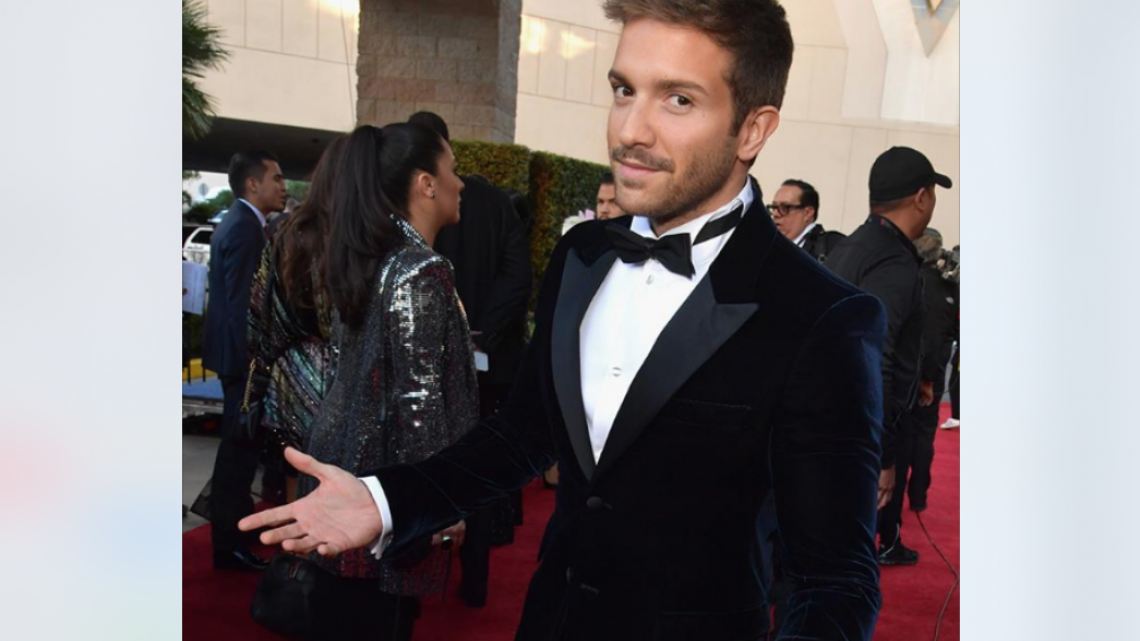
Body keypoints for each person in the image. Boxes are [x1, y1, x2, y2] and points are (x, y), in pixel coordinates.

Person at [244, 2, 885, 639]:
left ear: (752, 129)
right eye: (623, 89)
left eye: (679, 100)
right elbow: (523, 435)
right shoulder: (582, 257)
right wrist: (386, 500)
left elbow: (834, 581)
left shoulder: (822, 316)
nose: (631, 130)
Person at [291, 123, 478, 640]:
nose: (461, 183)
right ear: (426, 183)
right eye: (453, 170)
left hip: (345, 466)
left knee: (344, 615)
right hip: (380, 488)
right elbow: (418, 401)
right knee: (376, 622)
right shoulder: (420, 269)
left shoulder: (369, 257)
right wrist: (437, 500)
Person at [408, 110, 533, 608]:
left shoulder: (404, 197)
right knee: (475, 466)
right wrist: (480, 333)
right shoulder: (494, 202)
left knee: (421, 463)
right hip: (485, 359)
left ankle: (413, 580)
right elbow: (517, 277)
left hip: (432, 363)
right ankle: (473, 580)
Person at [826, 146, 953, 566]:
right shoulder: (895, 262)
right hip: (852, 440)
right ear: (921, 198)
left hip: (828, 425)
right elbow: (874, 357)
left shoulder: (855, 246)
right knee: (837, 568)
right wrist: (880, 456)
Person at [246, 136, 347, 505]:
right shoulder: (348, 236)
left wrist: (264, 365)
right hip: (331, 374)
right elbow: (335, 315)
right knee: (331, 484)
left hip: (287, 371)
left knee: (295, 476)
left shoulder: (284, 229)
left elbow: (259, 308)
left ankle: (294, 559)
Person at [202, 149, 286, 571]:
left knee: (239, 451)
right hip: (241, 360)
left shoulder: (241, 224)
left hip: (234, 357)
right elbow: (241, 306)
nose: (283, 186)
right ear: (253, 184)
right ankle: (228, 544)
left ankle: (230, 538)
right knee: (238, 453)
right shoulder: (247, 229)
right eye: (276, 178)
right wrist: (256, 363)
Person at [907, 228, 959, 512]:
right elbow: (949, 329)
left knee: (905, 433)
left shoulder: (912, 281)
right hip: (933, 370)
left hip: (913, 370)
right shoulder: (949, 287)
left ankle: (899, 494)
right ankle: (918, 496)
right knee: (924, 435)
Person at [768, 178, 845, 261]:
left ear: (808, 213)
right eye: (774, 207)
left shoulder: (833, 246)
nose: (775, 214)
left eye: (785, 207)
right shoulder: (765, 246)